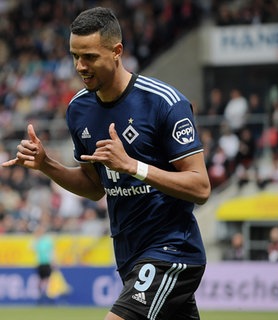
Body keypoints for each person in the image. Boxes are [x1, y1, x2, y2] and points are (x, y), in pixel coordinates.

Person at [2, 7, 210, 320]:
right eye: (75, 56)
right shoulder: (78, 109)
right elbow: (94, 187)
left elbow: (201, 186)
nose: (80, 67)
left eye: (89, 57)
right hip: (129, 257)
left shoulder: (164, 103)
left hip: (173, 251)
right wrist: (46, 165)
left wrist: (134, 167)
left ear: (117, 52)